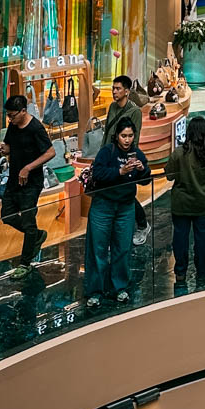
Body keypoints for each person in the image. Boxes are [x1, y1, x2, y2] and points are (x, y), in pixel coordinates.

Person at [84, 120, 150, 310]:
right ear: (117, 136)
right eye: (124, 136)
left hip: (125, 207)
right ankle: (95, 291)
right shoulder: (107, 152)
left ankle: (120, 287)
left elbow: (146, 180)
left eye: (130, 136)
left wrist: (141, 170)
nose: (127, 140)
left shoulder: (137, 154)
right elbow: (98, 174)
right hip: (103, 206)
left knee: (123, 248)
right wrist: (119, 171)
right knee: (98, 249)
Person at [0, 93, 55, 275]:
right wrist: (2, 149)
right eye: (8, 115)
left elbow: (50, 152)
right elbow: (9, 146)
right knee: (7, 215)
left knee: (28, 220)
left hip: (31, 183)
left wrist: (28, 168)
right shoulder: (13, 126)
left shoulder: (36, 128)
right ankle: (36, 236)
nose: (10, 119)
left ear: (23, 111)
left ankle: (25, 263)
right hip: (14, 178)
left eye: (12, 115)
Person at [165, 115, 205, 291]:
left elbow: (169, 175)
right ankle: (202, 272)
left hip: (181, 205)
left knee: (180, 239)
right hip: (203, 204)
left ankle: (180, 273)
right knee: (202, 240)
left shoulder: (179, 153)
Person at [102, 73, 149, 246]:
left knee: (125, 192)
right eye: (113, 88)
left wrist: (129, 160)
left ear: (127, 91)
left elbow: (133, 139)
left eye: (118, 89)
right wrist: (102, 154)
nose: (114, 92)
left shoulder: (134, 111)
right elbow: (107, 132)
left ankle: (142, 225)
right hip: (109, 155)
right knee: (113, 191)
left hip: (124, 158)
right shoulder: (112, 107)